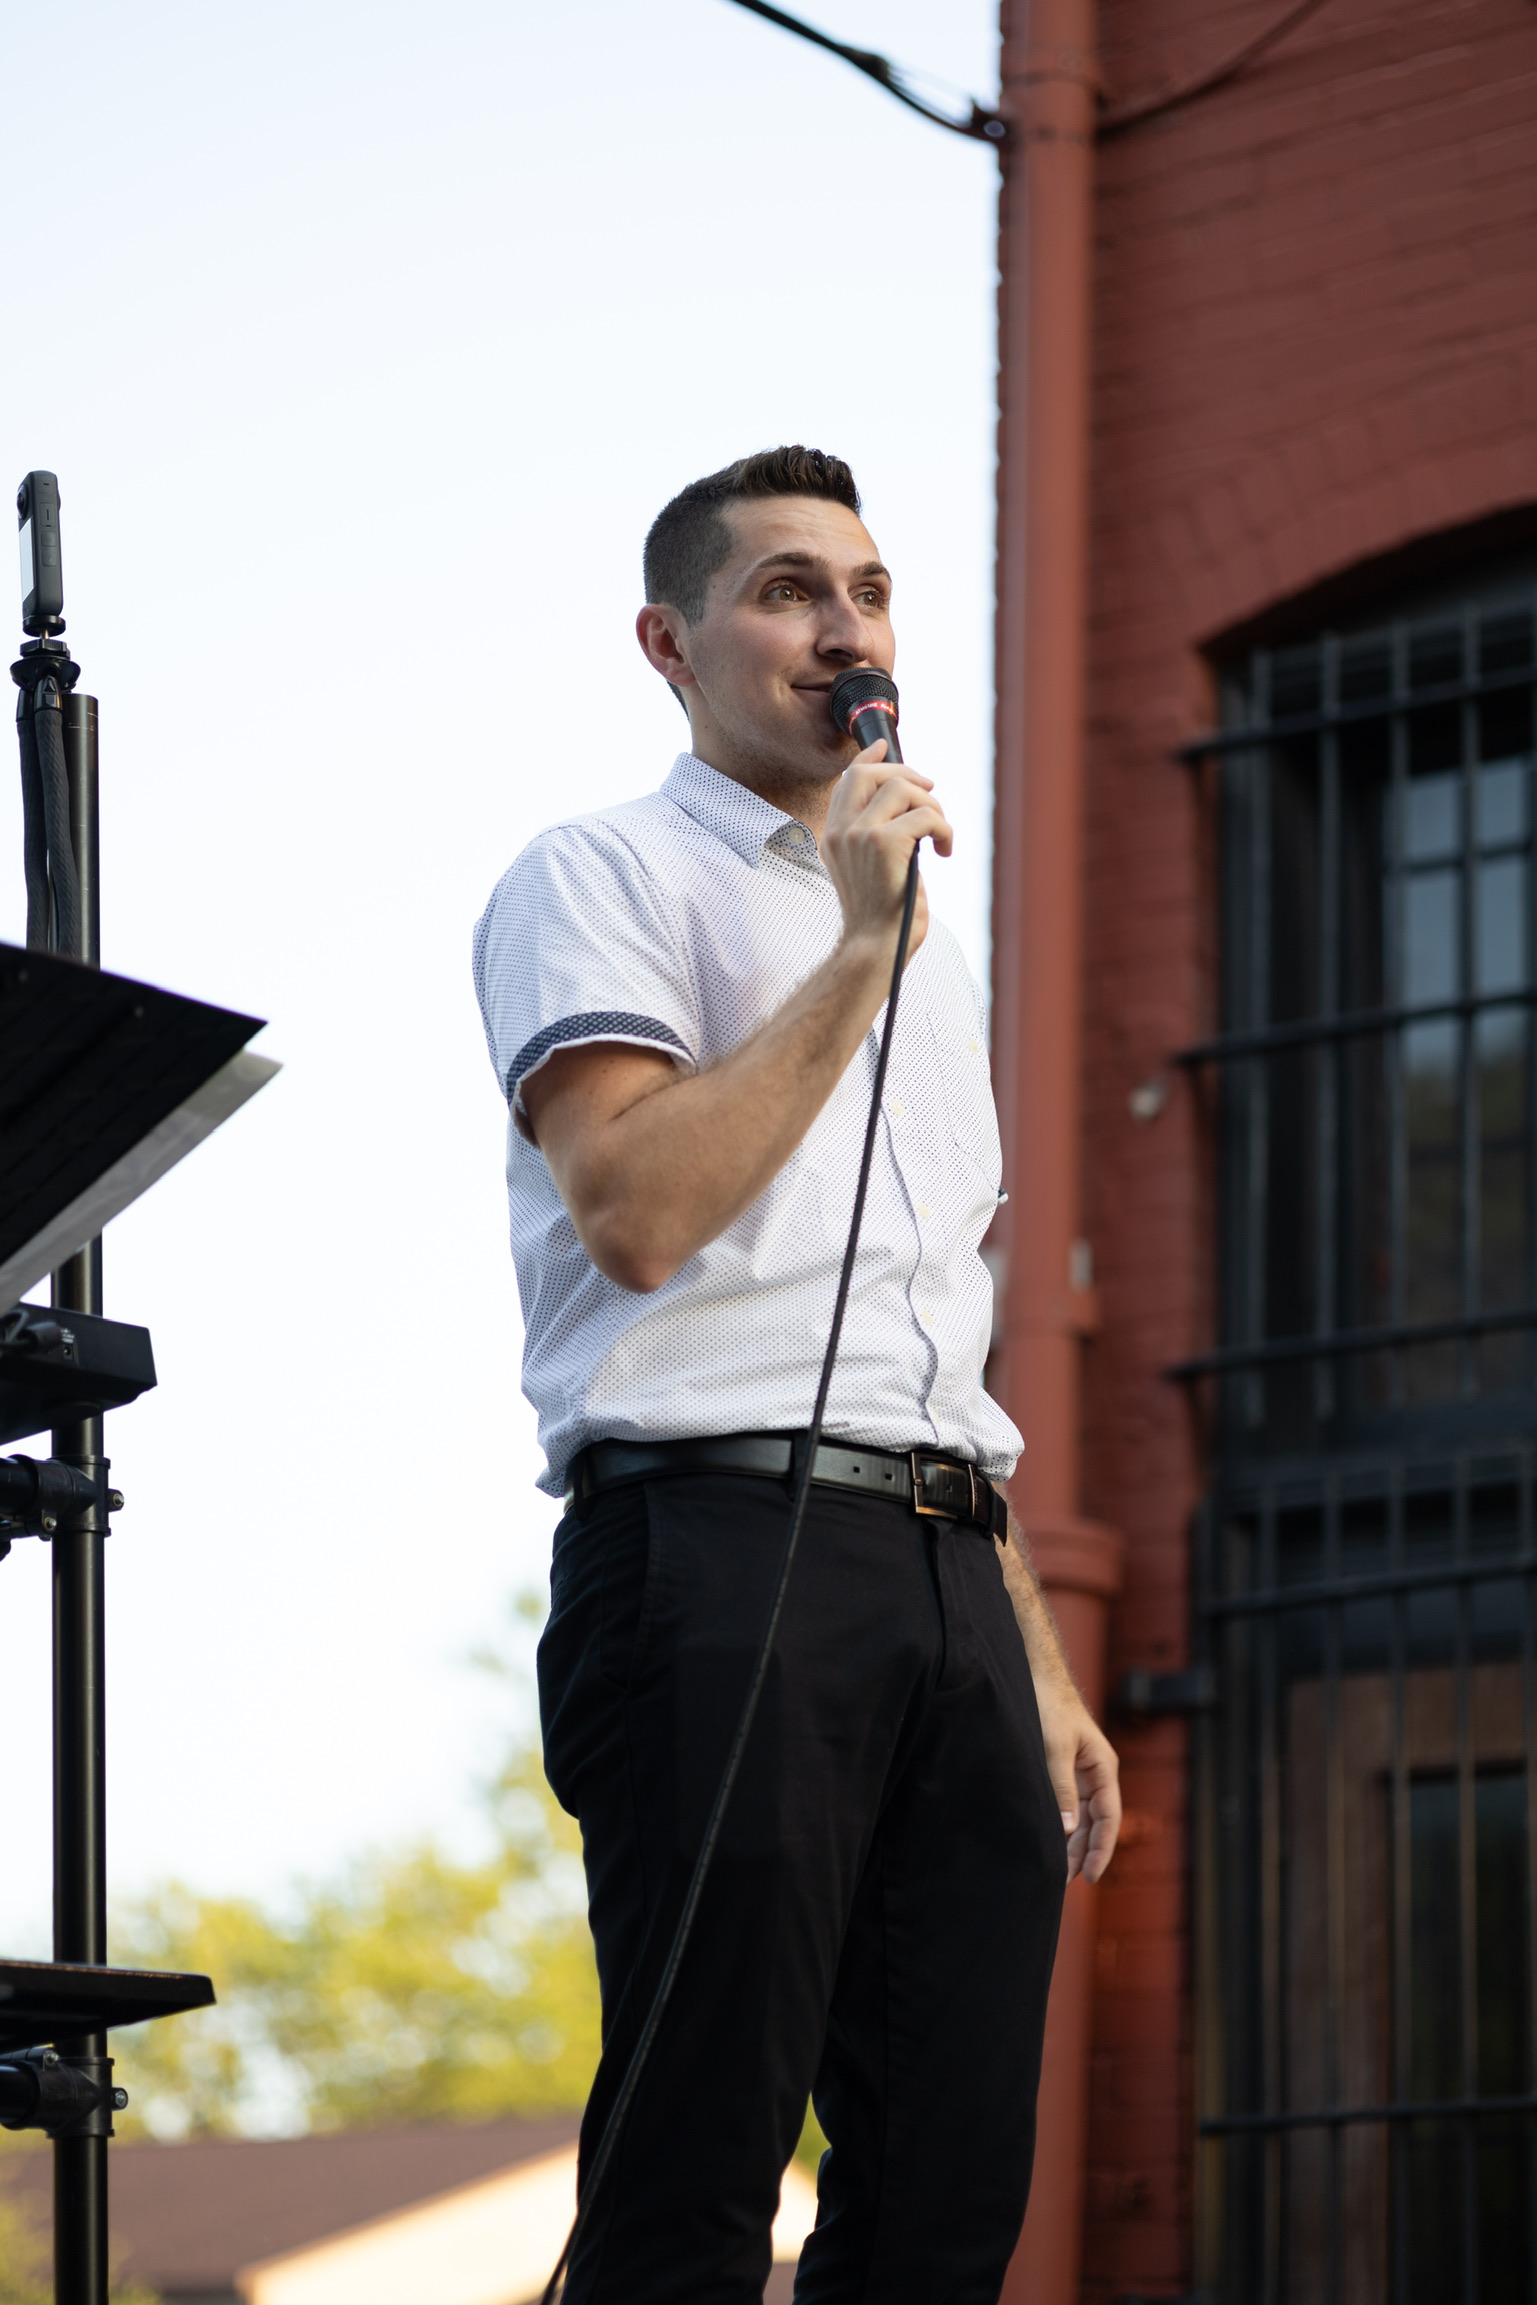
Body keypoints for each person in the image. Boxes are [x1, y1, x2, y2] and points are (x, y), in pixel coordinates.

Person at [472, 445, 1120, 2305]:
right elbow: (636, 1212)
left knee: (942, 2204)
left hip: (939, 1569)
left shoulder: (922, 933)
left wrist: (1030, 1651)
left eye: (867, 589)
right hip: (715, 1547)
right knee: (693, 2175)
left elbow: (927, 1317)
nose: (842, 628)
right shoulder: (599, 874)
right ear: (671, 644)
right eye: (784, 590)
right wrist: (852, 941)